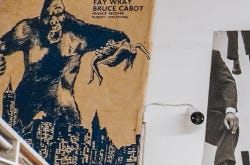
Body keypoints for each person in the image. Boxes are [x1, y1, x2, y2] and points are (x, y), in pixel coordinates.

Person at [0, 0, 147, 129]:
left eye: (57, 15)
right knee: (8, 134)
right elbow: (2, 45)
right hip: (28, 94)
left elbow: (119, 38)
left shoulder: (78, 32)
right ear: (42, 16)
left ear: (64, 15)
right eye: (48, 17)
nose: (53, 21)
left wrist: (118, 49)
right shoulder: (27, 29)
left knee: (74, 135)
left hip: (61, 97)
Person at [204, 50, 239, 165]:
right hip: (178, 112)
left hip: (208, 116)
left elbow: (228, 83)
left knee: (231, 126)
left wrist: (230, 111)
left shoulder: (212, 55)